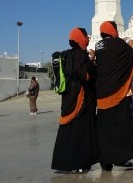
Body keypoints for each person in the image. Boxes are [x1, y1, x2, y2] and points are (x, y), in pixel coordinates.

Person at [94, 21, 133, 171]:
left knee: (105, 130)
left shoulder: (98, 46)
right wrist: (131, 44)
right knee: (121, 128)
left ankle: (105, 161)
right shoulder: (119, 44)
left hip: (101, 95)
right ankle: (121, 159)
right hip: (118, 95)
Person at [51, 27, 97, 174]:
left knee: (68, 130)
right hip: (80, 98)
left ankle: (64, 162)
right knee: (79, 131)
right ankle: (79, 163)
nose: (88, 39)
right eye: (86, 36)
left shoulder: (66, 54)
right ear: (80, 38)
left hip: (68, 98)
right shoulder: (79, 55)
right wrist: (92, 60)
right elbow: (86, 76)